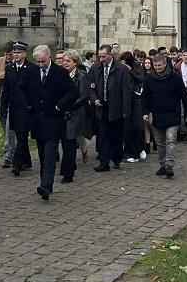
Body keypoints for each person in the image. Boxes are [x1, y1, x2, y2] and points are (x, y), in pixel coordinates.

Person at [23, 45, 78, 200]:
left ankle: (46, 185)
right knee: (41, 153)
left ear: (49, 57)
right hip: (38, 120)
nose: (40, 65)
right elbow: (22, 89)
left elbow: (73, 92)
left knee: (49, 153)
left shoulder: (60, 73)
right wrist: (28, 104)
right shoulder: (32, 71)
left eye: (43, 61)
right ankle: (45, 182)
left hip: (54, 119)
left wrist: (59, 105)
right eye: (38, 62)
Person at [142, 53, 187, 179]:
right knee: (159, 142)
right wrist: (145, 112)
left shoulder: (174, 77)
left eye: (159, 65)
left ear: (164, 64)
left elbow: (184, 96)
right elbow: (145, 97)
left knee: (170, 140)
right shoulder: (149, 79)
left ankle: (169, 165)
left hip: (172, 113)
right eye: (155, 65)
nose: (157, 67)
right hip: (157, 114)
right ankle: (163, 164)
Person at [88, 44, 131, 172]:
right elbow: (90, 87)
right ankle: (104, 162)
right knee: (103, 136)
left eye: (104, 56)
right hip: (102, 107)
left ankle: (117, 159)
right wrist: (94, 99)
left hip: (116, 107)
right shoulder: (96, 68)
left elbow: (126, 91)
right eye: (99, 56)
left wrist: (125, 110)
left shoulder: (121, 69)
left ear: (110, 54)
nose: (101, 59)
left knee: (116, 136)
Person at [2, 42, 36, 176]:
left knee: (22, 136)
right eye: (14, 53)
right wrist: (3, 107)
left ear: (24, 54)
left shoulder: (31, 68)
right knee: (19, 134)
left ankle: (17, 164)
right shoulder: (9, 68)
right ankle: (26, 161)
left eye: (18, 53)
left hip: (26, 108)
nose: (15, 55)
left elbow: (34, 89)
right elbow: (6, 89)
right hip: (14, 108)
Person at [60, 49, 91, 181]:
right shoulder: (60, 75)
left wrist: (69, 106)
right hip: (62, 113)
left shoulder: (82, 76)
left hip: (75, 113)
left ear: (76, 62)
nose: (66, 63)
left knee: (70, 142)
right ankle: (69, 167)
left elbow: (83, 96)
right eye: (64, 61)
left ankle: (68, 173)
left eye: (69, 61)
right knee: (65, 142)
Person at [120, 51, 147, 162]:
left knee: (137, 126)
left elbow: (140, 79)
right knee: (127, 127)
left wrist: (130, 70)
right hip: (125, 99)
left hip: (136, 98)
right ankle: (130, 152)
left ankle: (140, 148)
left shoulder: (137, 68)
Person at [0, 41, 16, 168]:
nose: (9, 57)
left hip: (12, 100)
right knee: (5, 126)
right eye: (6, 55)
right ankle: (14, 151)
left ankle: (8, 155)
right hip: (0, 98)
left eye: (11, 54)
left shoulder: (17, 64)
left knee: (9, 127)